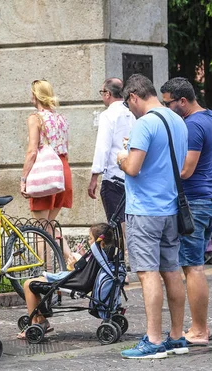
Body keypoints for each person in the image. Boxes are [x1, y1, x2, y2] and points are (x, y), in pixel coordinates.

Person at [117, 74, 188, 359]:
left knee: (147, 274)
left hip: (145, 209)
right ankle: (177, 336)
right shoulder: (177, 121)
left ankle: (154, 340)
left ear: (134, 95)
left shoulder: (144, 123)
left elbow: (133, 167)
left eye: (128, 103)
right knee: (171, 271)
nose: (129, 109)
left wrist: (120, 158)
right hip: (170, 208)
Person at [160, 77, 212, 347]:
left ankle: (198, 329)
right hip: (209, 200)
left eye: (168, 103)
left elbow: (186, 170)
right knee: (194, 264)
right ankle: (200, 326)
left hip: (194, 203)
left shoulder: (193, 125)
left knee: (192, 266)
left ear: (182, 101)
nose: (166, 108)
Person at [17, 223, 112, 340]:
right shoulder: (103, 256)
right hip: (77, 279)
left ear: (100, 242)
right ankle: (40, 319)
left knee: (29, 284)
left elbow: (80, 272)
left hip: (75, 282)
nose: (89, 241)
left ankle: (34, 323)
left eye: (91, 238)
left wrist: (75, 263)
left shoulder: (97, 254)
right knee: (33, 282)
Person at [20, 79, 73, 262]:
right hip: (62, 171)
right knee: (49, 224)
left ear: (35, 95)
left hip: (45, 172)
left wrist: (24, 178)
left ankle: (46, 272)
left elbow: (32, 151)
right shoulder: (61, 118)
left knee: (40, 227)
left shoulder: (35, 118)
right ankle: (72, 258)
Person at [88, 77, 135, 266]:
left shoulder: (108, 115)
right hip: (131, 174)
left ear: (107, 94)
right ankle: (133, 258)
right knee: (129, 220)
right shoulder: (132, 113)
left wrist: (94, 177)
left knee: (115, 224)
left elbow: (103, 148)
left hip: (113, 176)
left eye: (102, 93)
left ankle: (120, 264)